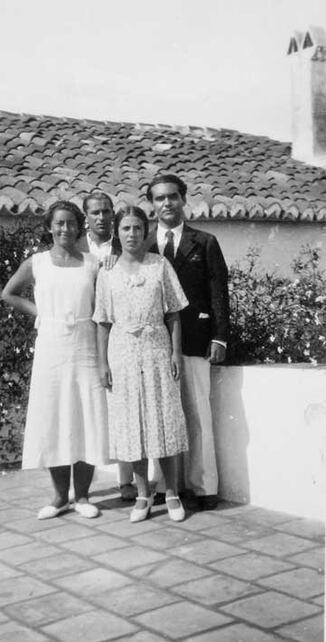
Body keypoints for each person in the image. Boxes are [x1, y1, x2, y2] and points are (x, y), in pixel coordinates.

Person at [1, 200, 109, 520]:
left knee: (86, 418)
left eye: (71, 223)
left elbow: (103, 305)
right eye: (59, 223)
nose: (65, 229)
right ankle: (61, 497)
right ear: (50, 227)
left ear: (80, 227)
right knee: (56, 418)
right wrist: (41, 314)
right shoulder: (36, 262)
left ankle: (84, 496)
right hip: (51, 346)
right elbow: (9, 293)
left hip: (86, 344)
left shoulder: (92, 264)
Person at [94, 205, 189, 523]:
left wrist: (176, 353)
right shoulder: (107, 271)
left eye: (137, 228)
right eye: (125, 229)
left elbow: (174, 314)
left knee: (163, 422)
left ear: (144, 231)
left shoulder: (159, 265)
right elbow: (103, 322)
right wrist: (103, 363)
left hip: (157, 350)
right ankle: (144, 496)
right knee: (132, 426)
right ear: (117, 233)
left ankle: (172, 492)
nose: (132, 234)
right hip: (122, 354)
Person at [147, 174, 229, 511]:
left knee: (198, 413)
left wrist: (220, 337)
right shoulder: (145, 245)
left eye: (172, 197)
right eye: (159, 198)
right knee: (164, 417)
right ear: (151, 205)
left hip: (196, 339)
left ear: (183, 200)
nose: (166, 203)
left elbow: (219, 292)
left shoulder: (205, 242)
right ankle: (169, 486)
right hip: (156, 344)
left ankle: (204, 485)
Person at [79, 190, 137, 502]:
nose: (101, 218)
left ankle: (126, 480)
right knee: (85, 410)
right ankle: (82, 489)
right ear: (85, 217)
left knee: (122, 408)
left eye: (105, 212)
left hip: (118, 339)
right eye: (95, 213)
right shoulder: (73, 250)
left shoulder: (128, 245)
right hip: (81, 338)